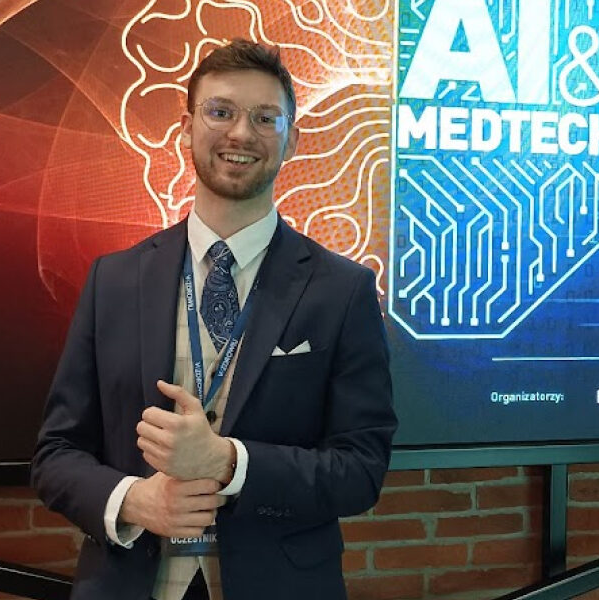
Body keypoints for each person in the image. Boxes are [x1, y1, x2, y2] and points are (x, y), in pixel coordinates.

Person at [31, 39, 397, 600]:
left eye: (264, 117)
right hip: (130, 583)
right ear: (186, 127)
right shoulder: (114, 280)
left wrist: (229, 461)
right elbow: (56, 455)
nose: (240, 134)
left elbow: (361, 469)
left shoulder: (342, 291)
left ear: (292, 139)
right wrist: (133, 500)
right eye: (220, 112)